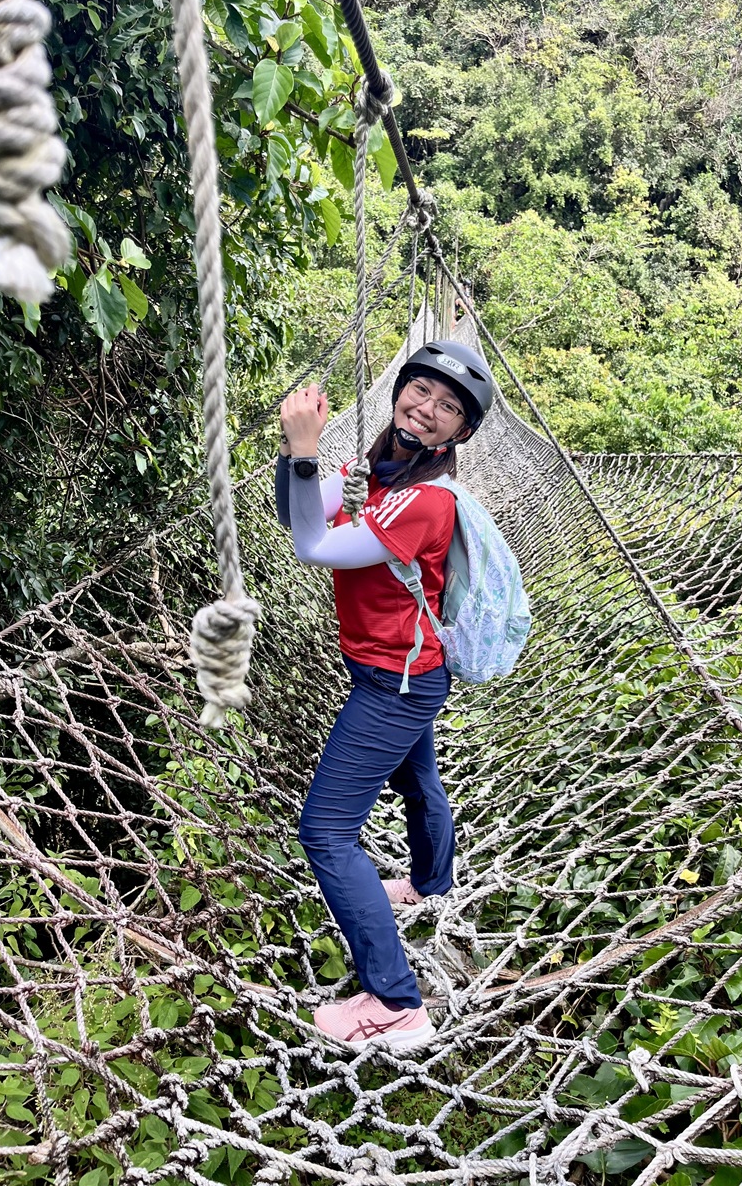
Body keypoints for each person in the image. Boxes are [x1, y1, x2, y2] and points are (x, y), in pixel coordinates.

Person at [276, 340, 494, 1051]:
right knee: (419, 775)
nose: (427, 409)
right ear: (400, 391)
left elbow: (315, 547)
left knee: (327, 832)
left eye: (448, 407)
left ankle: (397, 1005)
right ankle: (433, 883)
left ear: (461, 432)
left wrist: (305, 448)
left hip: (397, 685)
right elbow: (301, 511)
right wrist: (296, 454)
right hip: (402, 671)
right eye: (421, 392)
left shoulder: (424, 501)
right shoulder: (381, 471)